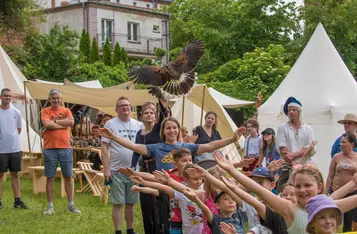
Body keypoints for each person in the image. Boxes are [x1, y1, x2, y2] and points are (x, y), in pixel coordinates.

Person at [213, 152, 357, 234]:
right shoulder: (290, 210)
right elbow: (259, 192)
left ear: (319, 187)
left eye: (307, 185)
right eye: (298, 186)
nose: (302, 190)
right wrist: (232, 171)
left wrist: (352, 183)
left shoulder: (326, 206)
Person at [98, 116, 245, 172]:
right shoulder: (157, 148)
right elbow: (134, 147)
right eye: (168, 128)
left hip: (185, 188)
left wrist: (233, 139)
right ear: (163, 131)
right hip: (165, 188)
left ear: (178, 130)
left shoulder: (186, 147)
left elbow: (211, 145)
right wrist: (113, 137)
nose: (172, 130)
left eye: (174, 127)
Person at [101, 96, 143, 234]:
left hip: (133, 171)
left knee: (131, 204)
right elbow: (104, 147)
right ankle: (118, 231)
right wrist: (106, 169)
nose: (125, 107)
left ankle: (130, 230)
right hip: (116, 170)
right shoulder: (110, 124)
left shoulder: (139, 125)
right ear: (116, 109)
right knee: (118, 203)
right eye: (122, 106)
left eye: (127, 105)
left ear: (131, 107)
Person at [130, 99, 170, 234]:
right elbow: (136, 150)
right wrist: (132, 168)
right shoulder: (139, 133)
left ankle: (161, 230)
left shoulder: (159, 128)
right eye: (146, 113)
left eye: (151, 112)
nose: (149, 115)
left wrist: (160, 99)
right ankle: (149, 230)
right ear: (142, 116)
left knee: (158, 199)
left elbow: (166, 115)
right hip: (144, 167)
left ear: (155, 115)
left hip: (157, 166)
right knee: (146, 200)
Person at [131, 163, 205, 234]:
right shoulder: (181, 192)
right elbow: (163, 188)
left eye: (200, 178)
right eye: (195, 179)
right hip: (188, 230)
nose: (198, 182)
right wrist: (144, 183)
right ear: (186, 180)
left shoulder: (205, 190)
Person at [41, 89, 80, 214]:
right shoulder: (45, 111)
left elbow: (72, 122)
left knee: (68, 176)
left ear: (61, 99)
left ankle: (71, 204)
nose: (56, 100)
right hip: (50, 148)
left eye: (58, 98)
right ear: (49, 100)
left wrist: (55, 122)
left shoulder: (66, 110)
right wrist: (64, 124)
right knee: (50, 177)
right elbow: (46, 124)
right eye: (54, 98)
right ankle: (50, 206)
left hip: (65, 148)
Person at [276, 96, 315, 193]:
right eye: (289, 110)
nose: (291, 112)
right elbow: (282, 148)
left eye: (294, 110)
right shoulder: (282, 128)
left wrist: (293, 156)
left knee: (306, 193)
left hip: (305, 166)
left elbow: (309, 148)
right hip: (287, 166)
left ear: (299, 112)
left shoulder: (308, 129)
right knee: (282, 193)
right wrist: (294, 164)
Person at [0, 88, 28, 210]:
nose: (8, 98)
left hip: (15, 149)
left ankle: (17, 200)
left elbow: (19, 130)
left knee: (15, 174)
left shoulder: (16, 112)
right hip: (1, 150)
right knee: (0, 175)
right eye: (6, 95)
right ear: (1, 97)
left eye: (10, 96)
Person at [325, 133, 357, 232]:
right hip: (336, 192)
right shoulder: (336, 157)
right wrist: (325, 193)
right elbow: (330, 176)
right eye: (340, 142)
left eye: (344, 142)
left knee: (348, 221)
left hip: (352, 192)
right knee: (334, 220)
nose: (341, 144)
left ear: (352, 144)